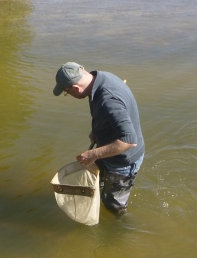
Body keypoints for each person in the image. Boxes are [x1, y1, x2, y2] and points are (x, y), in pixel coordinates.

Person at [53, 62, 144, 215]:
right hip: (109, 148)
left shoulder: (109, 100)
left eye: (66, 92)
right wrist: (97, 130)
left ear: (76, 88)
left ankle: (119, 231)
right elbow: (107, 114)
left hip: (123, 161)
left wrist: (92, 154)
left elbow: (129, 140)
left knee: (113, 205)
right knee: (98, 182)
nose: (69, 95)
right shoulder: (99, 79)